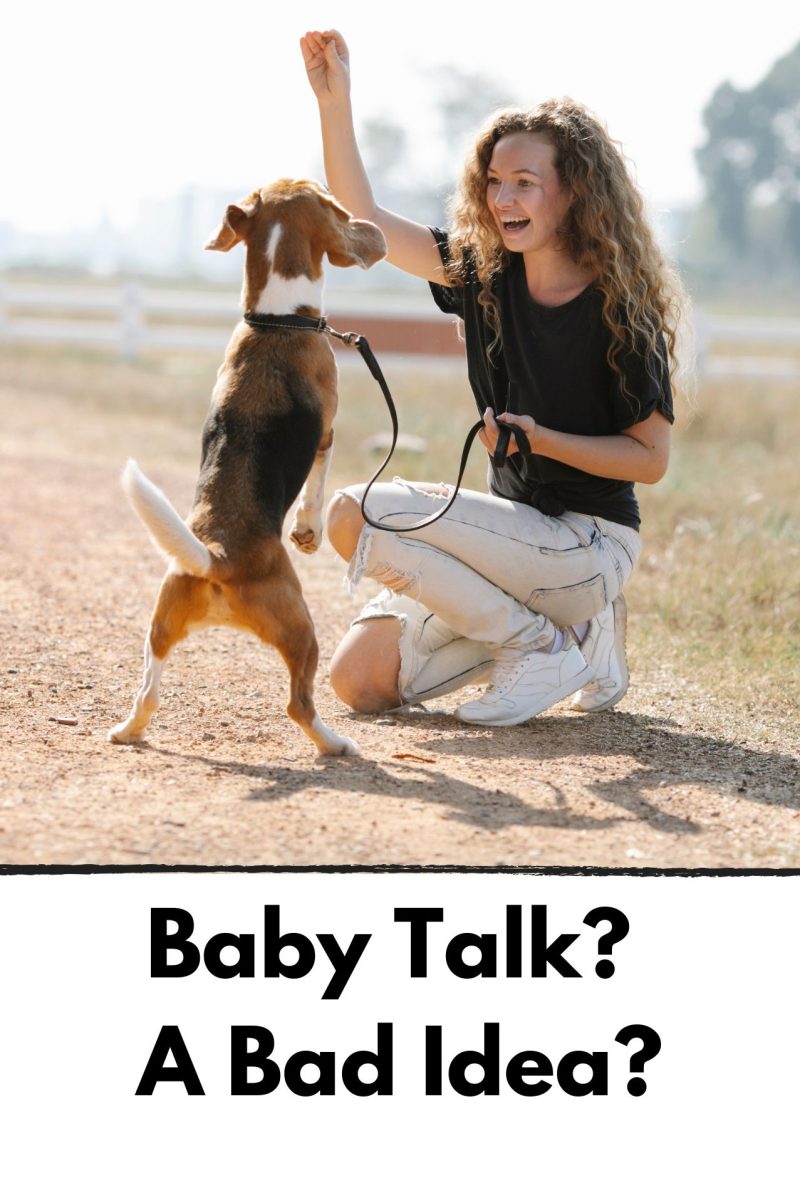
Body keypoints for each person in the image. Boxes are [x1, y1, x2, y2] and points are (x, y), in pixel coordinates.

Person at [300, 29, 685, 727]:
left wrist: (542, 439)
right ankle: (578, 639)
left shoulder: (621, 309)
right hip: (512, 544)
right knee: (359, 682)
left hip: (588, 544)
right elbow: (366, 222)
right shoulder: (482, 274)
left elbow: (651, 460)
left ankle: (541, 642)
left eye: (526, 182)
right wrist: (335, 103)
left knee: (353, 512)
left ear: (573, 194)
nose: (504, 196)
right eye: (495, 181)